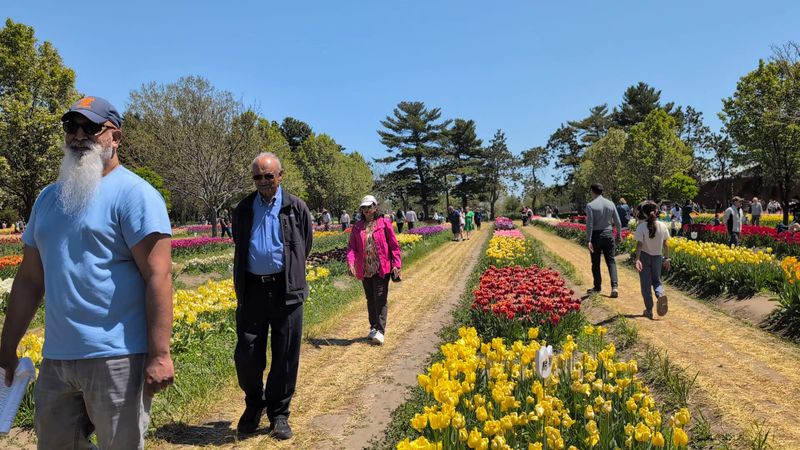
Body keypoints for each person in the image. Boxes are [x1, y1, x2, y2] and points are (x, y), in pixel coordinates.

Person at [0, 96, 173, 449]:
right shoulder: (49, 199)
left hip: (117, 357)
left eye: (91, 127)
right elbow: (32, 279)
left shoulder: (134, 195)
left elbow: (159, 275)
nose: (79, 135)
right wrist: (7, 346)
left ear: (116, 137)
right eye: (71, 127)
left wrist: (159, 354)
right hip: (57, 358)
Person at [231, 152, 313, 439]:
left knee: (285, 354)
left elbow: (306, 243)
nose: (263, 181)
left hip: (285, 289)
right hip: (252, 289)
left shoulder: (295, 207)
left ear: (280, 175)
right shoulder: (243, 209)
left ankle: (279, 413)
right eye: (258, 176)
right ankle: (255, 403)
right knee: (247, 352)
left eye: (268, 176)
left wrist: (292, 276)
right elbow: (239, 245)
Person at [346, 195, 402, 346]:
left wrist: (396, 264)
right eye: (363, 208)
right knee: (370, 299)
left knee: (380, 298)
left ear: (375, 208)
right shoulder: (357, 227)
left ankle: (380, 331)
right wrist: (350, 262)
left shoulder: (384, 223)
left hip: (382, 267)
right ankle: (373, 327)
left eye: (369, 207)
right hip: (365, 269)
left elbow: (394, 246)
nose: (366, 210)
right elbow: (352, 247)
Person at [634, 201, 671, 320]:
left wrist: (637, 259)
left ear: (644, 214)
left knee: (645, 285)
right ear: (656, 211)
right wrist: (667, 258)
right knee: (657, 280)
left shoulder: (641, 227)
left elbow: (639, 245)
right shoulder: (662, 225)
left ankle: (649, 310)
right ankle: (660, 294)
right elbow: (666, 245)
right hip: (658, 257)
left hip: (645, 256)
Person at [585, 183, 621, 298]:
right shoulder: (610, 204)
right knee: (611, 261)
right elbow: (618, 222)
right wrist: (619, 234)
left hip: (596, 236)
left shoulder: (590, 205)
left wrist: (588, 240)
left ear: (592, 191)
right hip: (608, 234)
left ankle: (597, 287)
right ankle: (614, 286)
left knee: (595, 263)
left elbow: (590, 224)